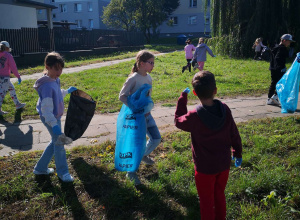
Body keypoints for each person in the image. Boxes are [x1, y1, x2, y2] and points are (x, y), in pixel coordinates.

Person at [174, 70, 242, 220]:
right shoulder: (225, 109)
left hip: (204, 169)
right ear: (215, 90)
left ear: (194, 93)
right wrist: (237, 152)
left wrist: (182, 99)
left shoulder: (193, 116)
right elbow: (234, 133)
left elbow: (178, 121)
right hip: (224, 165)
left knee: (206, 201)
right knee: (219, 195)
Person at [33, 52, 77, 182]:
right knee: (59, 143)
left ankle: (40, 168)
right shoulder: (46, 86)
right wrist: (54, 125)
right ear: (47, 66)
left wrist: (66, 91)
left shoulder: (54, 79)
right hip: (49, 117)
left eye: (61, 68)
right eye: (56, 68)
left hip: (54, 116)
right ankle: (63, 173)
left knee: (55, 141)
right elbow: (46, 110)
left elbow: (56, 94)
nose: (59, 71)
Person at [119, 50, 161, 185]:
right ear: (142, 63)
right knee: (136, 144)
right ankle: (130, 173)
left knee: (156, 138)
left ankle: (143, 154)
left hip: (147, 115)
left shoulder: (148, 77)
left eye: (153, 63)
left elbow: (147, 96)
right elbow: (122, 96)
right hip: (136, 117)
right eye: (151, 63)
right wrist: (134, 107)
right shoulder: (133, 78)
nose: (153, 65)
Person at [267, 34, 295, 105]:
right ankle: (275, 96)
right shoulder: (282, 48)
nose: (289, 43)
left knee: (273, 83)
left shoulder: (276, 47)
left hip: (273, 68)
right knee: (283, 83)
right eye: (289, 41)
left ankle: (269, 99)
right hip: (279, 68)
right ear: (284, 40)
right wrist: (281, 67)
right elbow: (279, 57)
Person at [0, 41, 26, 115]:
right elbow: (13, 67)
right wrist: (18, 76)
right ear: (7, 48)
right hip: (4, 78)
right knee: (1, 94)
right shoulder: (8, 55)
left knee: (11, 88)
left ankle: (17, 104)